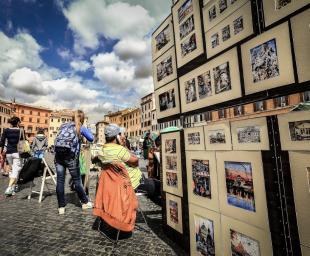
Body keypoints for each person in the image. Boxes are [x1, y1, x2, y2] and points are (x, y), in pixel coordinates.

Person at [92, 124, 160, 195]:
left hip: (119, 184)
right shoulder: (120, 150)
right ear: (117, 136)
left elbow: (95, 160)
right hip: (135, 183)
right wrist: (125, 147)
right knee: (161, 186)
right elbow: (136, 162)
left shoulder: (101, 151)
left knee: (155, 182)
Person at [54, 110, 94, 214]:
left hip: (58, 156)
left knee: (60, 181)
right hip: (71, 157)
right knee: (77, 181)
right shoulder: (80, 127)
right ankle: (85, 202)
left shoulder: (64, 126)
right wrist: (89, 128)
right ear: (82, 118)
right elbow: (91, 138)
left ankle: (61, 207)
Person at [0, 117, 25, 195]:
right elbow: (24, 142)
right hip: (17, 153)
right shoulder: (21, 131)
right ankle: (9, 187)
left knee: (11, 169)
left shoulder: (6, 130)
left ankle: (13, 187)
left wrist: (0, 153)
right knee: (16, 169)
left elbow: (2, 142)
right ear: (17, 123)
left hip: (9, 153)